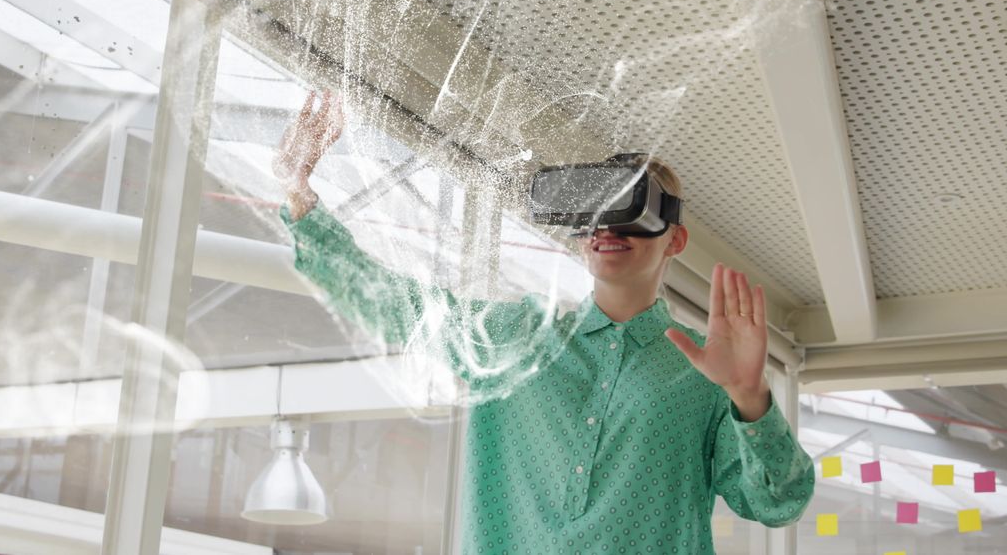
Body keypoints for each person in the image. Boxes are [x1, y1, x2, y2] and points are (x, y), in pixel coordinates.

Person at [275, 90, 814, 554]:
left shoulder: (708, 373)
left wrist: (751, 397)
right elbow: (388, 300)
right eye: (594, 210)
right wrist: (297, 187)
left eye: (631, 208)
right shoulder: (512, 338)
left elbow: (777, 502)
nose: (607, 226)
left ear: (675, 238)